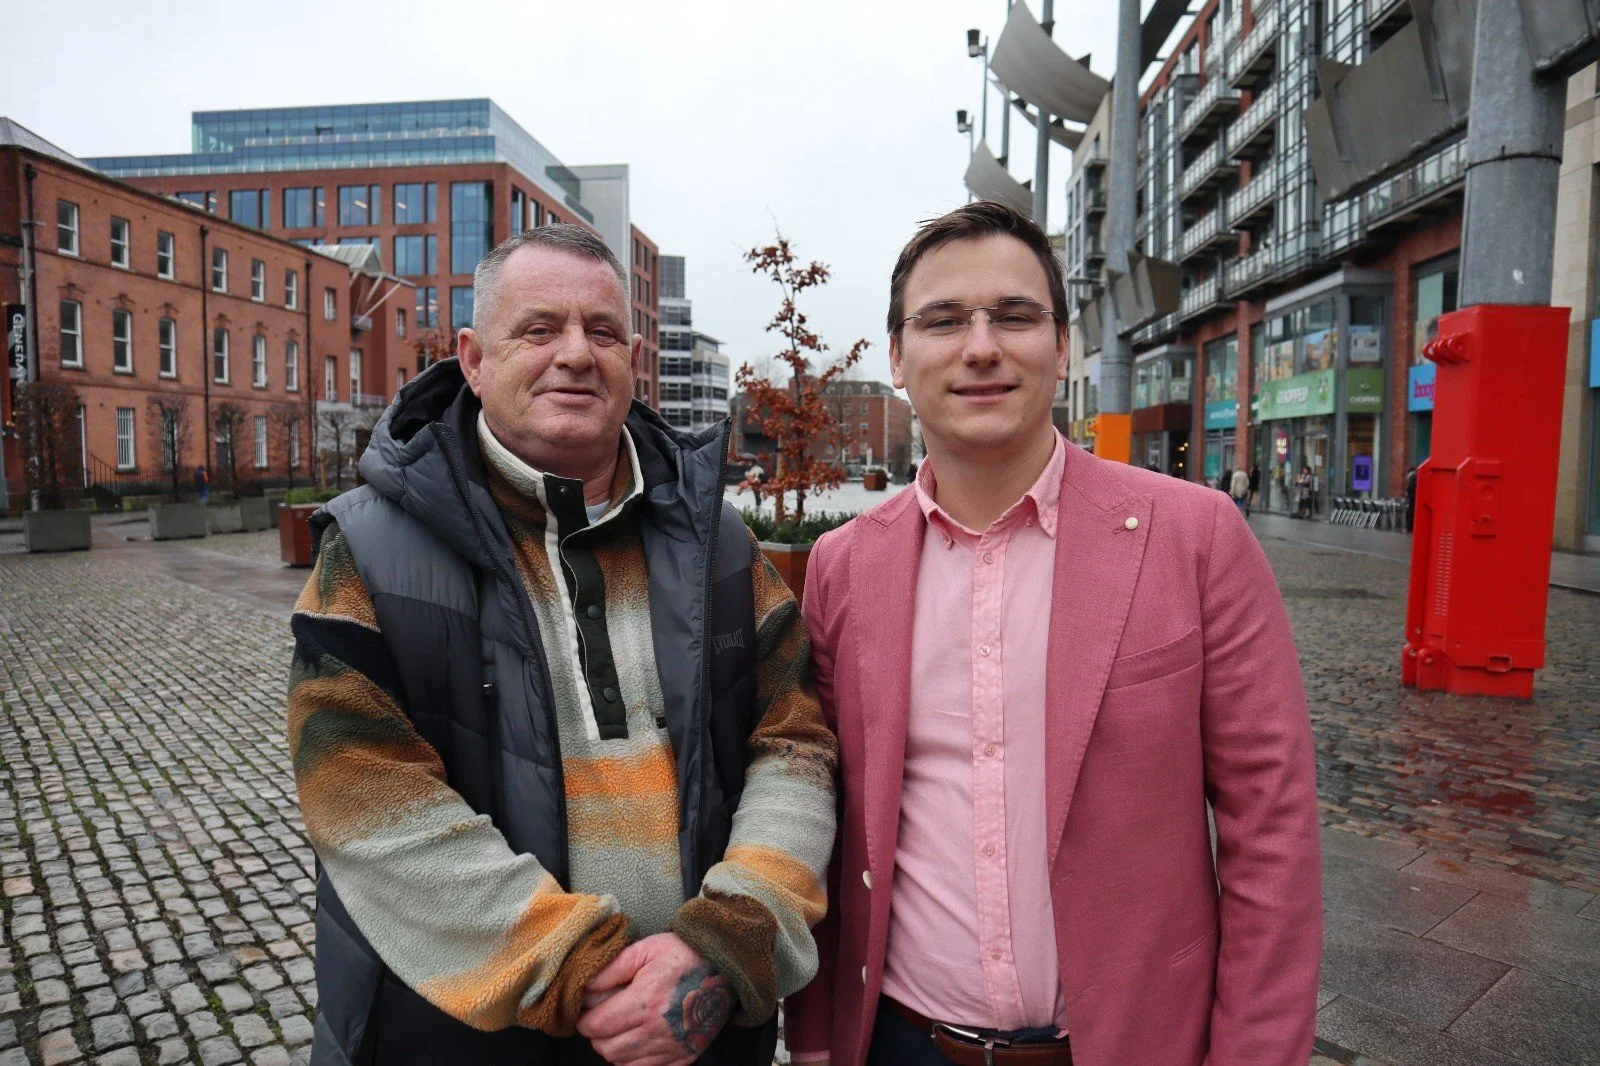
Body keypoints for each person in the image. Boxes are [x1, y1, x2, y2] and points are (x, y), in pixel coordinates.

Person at [785, 201, 1321, 1066]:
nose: (982, 346)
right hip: (900, 1043)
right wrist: (813, 1041)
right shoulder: (843, 569)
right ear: (896, 355)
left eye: (1016, 316)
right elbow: (826, 818)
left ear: (1062, 345)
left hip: (1136, 1041)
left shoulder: (1196, 537)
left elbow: (1274, 826)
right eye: (945, 320)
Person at [287, 225, 837, 1066]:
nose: (576, 355)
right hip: (457, 1040)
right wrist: (578, 971)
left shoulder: (720, 548)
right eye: (539, 329)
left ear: (635, 356)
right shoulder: (368, 554)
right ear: (472, 357)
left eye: (603, 331)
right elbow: (361, 795)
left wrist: (728, 942)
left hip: (701, 1031)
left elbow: (794, 741)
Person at [1405, 464, 1419, 533]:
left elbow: (1411, 487)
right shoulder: (1415, 476)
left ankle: (1409, 528)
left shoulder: (1412, 476)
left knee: (1410, 513)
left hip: (1411, 498)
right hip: (1413, 498)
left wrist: (1407, 491)